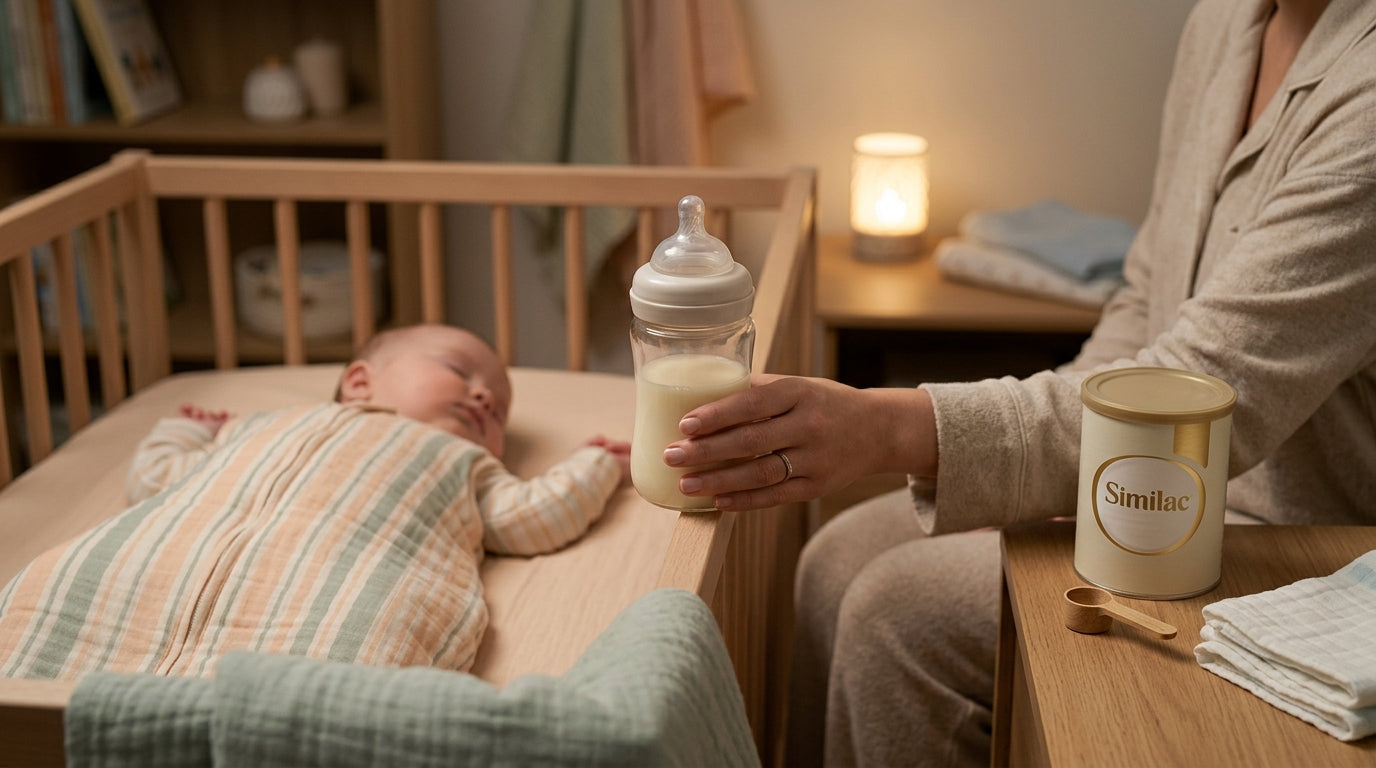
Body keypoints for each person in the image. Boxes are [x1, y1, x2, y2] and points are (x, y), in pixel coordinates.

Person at [662, 0, 1376, 765]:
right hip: (1135, 481)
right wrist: (1030, 483)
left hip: (1292, 543)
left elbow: (1203, 387)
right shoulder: (1227, 22)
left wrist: (892, 428)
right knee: (834, 557)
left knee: (897, 615)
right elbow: (1145, 299)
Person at [0, 324, 631, 681]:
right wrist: (187, 428)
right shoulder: (264, 424)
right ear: (359, 382)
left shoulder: (468, 467)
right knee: (62, 601)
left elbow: (533, 518)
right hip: (146, 577)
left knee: (342, 662)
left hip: (340, 607)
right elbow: (159, 478)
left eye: (497, 404)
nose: (485, 397)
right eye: (458, 369)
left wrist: (595, 464)